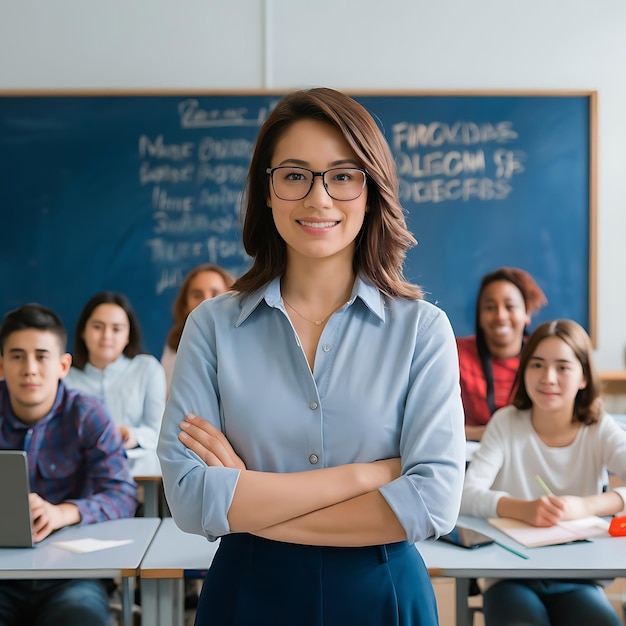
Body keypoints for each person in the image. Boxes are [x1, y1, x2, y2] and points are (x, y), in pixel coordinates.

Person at [157, 87, 465, 626]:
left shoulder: (423, 331)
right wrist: (363, 478)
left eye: (343, 175)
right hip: (246, 594)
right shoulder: (211, 326)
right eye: (295, 175)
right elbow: (188, 499)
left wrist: (249, 502)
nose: (318, 199)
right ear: (267, 189)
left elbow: (433, 503)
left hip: (383, 594)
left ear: (371, 191)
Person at [461, 319, 626, 626]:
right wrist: (523, 509)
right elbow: (467, 495)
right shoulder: (506, 423)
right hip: (509, 574)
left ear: (584, 377)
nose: (548, 377)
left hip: (579, 577)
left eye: (563, 367)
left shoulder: (598, 427)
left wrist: (586, 506)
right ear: (523, 371)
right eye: (536, 364)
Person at [0, 303, 138, 626]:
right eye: (17, 356)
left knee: (80, 617)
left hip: (72, 573)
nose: (30, 368)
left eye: (42, 356)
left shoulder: (88, 414)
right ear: (2, 365)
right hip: (2, 573)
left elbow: (122, 493)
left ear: (63, 365)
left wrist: (62, 512)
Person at [65, 291, 166, 450]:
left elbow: (158, 432)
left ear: (128, 336)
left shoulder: (147, 369)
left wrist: (131, 435)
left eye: (117, 329)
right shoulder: (65, 376)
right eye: (97, 327)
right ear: (83, 331)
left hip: (137, 470)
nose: (106, 336)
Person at [457, 267, 547, 441]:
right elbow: (437, 427)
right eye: (490, 307)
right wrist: (487, 434)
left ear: (527, 313)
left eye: (510, 306)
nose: (500, 316)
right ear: (480, 316)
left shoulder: (544, 358)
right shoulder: (454, 354)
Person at [161, 263, 235, 395]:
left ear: (232, 299)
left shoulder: (246, 341)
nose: (206, 302)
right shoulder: (174, 345)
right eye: (197, 295)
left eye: (215, 293)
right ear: (185, 305)